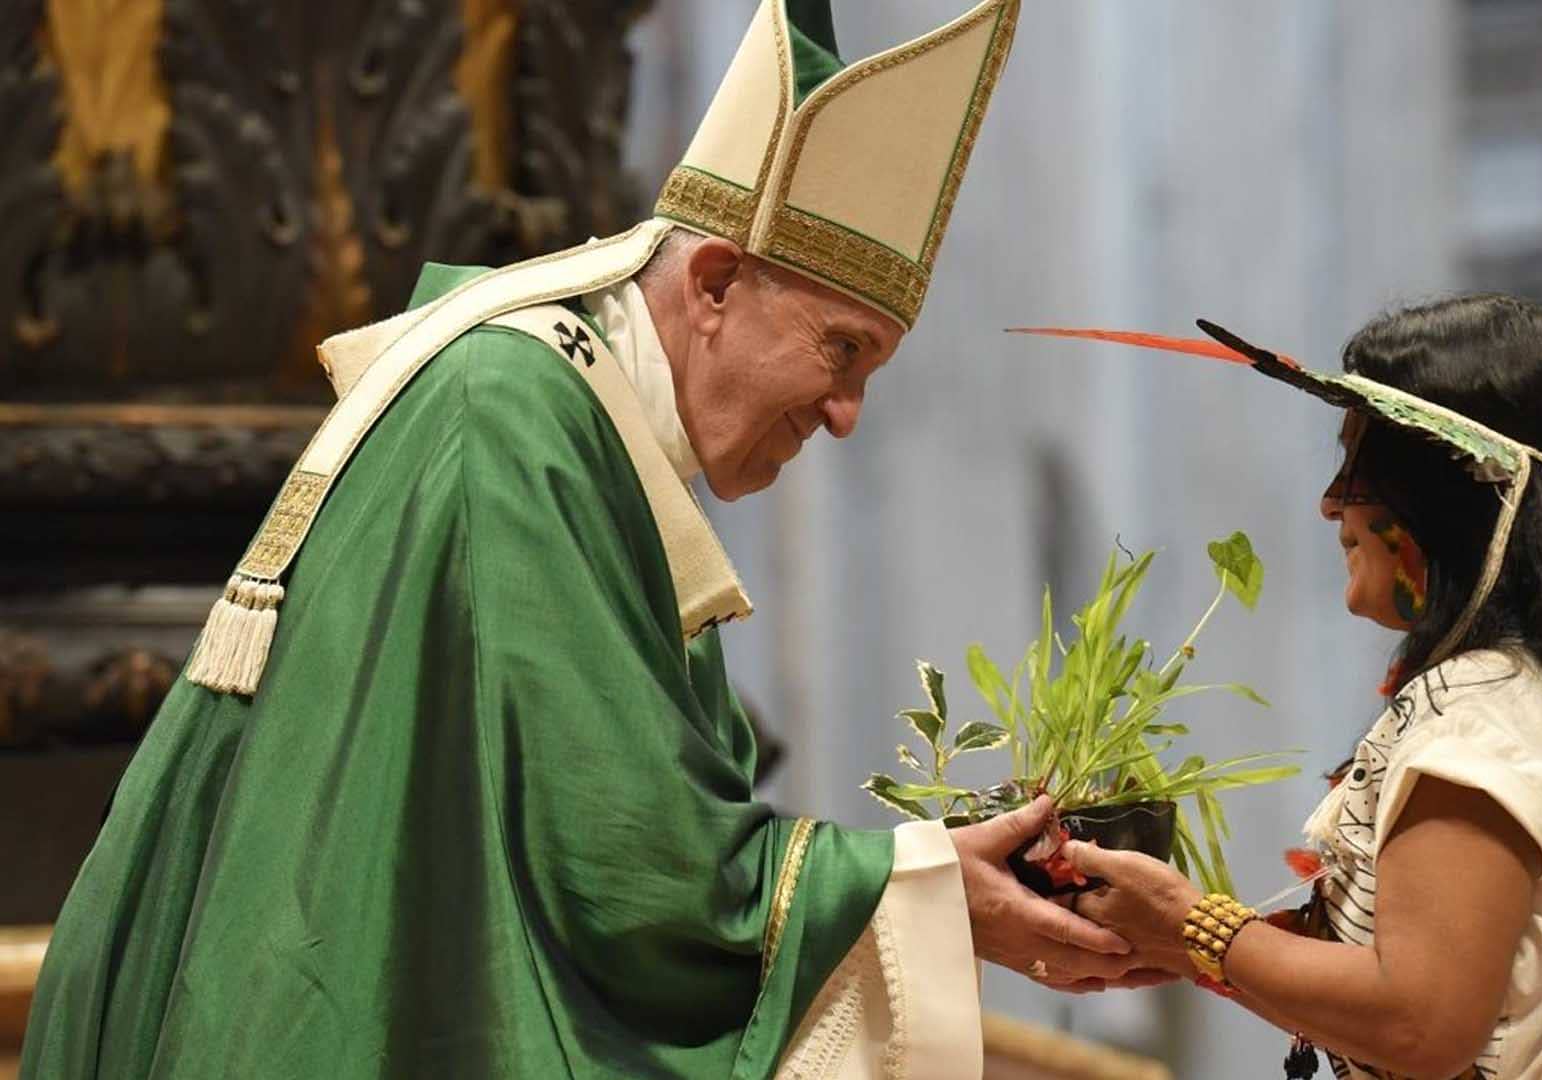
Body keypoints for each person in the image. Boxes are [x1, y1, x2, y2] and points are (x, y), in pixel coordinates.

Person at [23, 3, 1153, 1078]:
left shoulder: (581, 423)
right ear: (714, 282)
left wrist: (926, 888)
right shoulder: (519, 416)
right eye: (843, 352)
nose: (847, 414)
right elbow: (634, 879)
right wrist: (921, 888)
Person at [1038, 296, 1542, 1078]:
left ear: (1444, 497)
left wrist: (1188, 928)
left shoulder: (1487, 720)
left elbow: (1420, 1023)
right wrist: (1187, 942)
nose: (1332, 501)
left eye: (1360, 465)